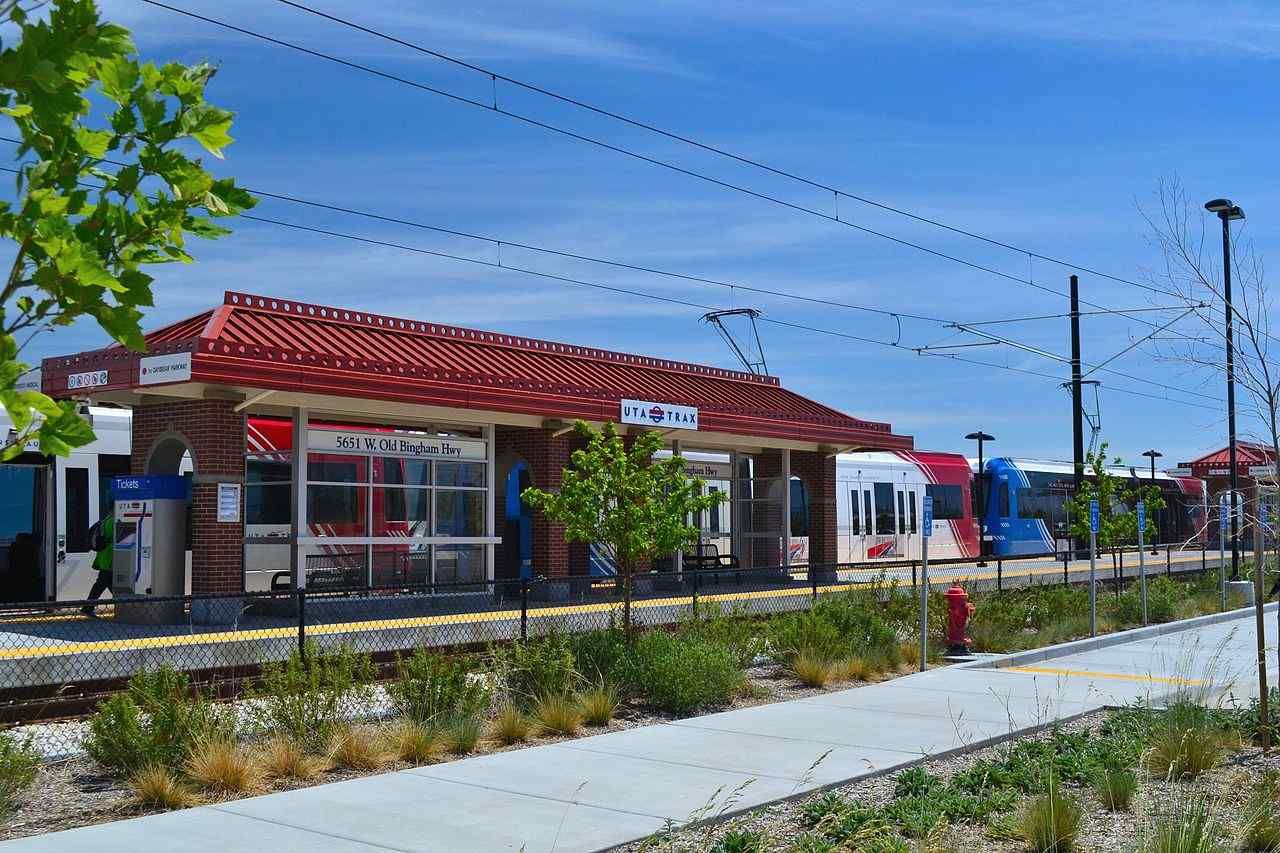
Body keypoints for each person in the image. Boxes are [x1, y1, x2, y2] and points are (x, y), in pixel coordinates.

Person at [82, 506, 114, 617]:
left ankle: (87, 608)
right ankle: (126, 606)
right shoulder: (114, 521)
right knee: (104, 583)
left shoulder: (105, 521)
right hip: (110, 557)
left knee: (101, 584)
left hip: (103, 557)